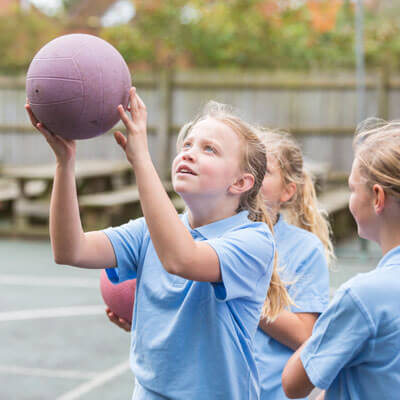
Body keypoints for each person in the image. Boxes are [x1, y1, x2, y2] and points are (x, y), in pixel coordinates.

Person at [25, 89, 291, 400]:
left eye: (210, 150)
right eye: (187, 145)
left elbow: (181, 259)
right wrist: (64, 163)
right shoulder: (148, 232)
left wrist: (140, 158)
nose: (189, 153)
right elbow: (71, 250)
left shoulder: (252, 241)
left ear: (240, 183)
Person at [282, 119, 400, 400]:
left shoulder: (363, 297)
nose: (350, 197)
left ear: (377, 198)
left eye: (351, 188)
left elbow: (293, 383)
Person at [254, 130, 333, 400]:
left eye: (263, 170)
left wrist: (244, 291)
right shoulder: (210, 237)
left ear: (287, 191)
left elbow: (304, 334)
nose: (251, 174)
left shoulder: (304, 249)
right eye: (245, 164)